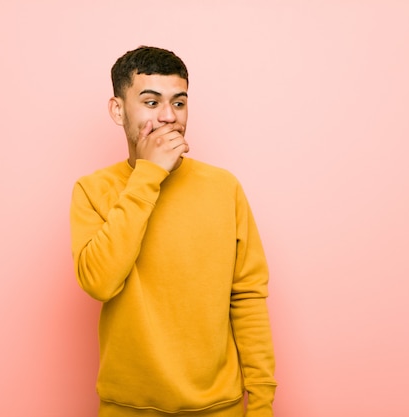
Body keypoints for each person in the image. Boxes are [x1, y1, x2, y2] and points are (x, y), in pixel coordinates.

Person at [70, 46, 277, 417]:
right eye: (151, 103)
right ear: (118, 110)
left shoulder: (223, 187)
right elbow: (99, 282)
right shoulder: (93, 190)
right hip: (127, 409)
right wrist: (149, 175)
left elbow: (247, 298)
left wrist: (261, 404)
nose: (168, 117)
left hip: (219, 407)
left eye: (179, 103)